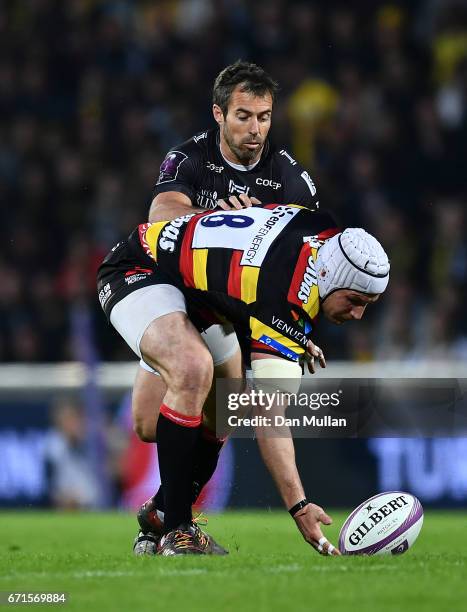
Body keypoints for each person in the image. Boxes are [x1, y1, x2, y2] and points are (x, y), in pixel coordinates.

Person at [97, 203, 390, 556]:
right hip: (141, 267)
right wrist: (299, 505)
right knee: (192, 368)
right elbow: (270, 418)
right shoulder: (285, 303)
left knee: (224, 410)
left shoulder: (323, 228)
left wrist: (295, 333)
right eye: (355, 300)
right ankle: (178, 529)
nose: (358, 315)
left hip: (202, 299)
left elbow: (258, 277)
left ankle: (161, 511)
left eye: (368, 305)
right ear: (329, 276)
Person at [130, 60, 322, 553]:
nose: (254, 129)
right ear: (218, 114)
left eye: (263, 117)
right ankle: (168, 513)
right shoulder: (189, 159)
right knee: (149, 426)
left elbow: (303, 264)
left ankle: (169, 517)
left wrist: (296, 326)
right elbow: (161, 214)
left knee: (225, 409)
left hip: (229, 312)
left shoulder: (291, 181)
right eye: (243, 116)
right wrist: (218, 222)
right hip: (177, 296)